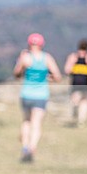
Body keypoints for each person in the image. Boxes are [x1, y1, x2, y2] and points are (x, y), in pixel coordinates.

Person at [13, 33, 61, 163]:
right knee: (36, 123)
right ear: (41, 45)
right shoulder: (47, 58)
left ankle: (24, 147)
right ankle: (32, 147)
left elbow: (16, 74)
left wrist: (20, 61)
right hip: (41, 95)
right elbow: (57, 77)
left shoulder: (25, 58)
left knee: (26, 121)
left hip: (26, 94)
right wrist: (47, 77)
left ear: (29, 44)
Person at [63, 38, 87, 127]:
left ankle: (81, 120)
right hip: (76, 84)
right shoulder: (74, 57)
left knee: (83, 101)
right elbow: (67, 70)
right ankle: (77, 117)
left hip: (84, 84)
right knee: (77, 101)